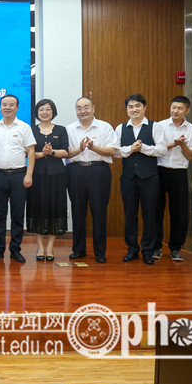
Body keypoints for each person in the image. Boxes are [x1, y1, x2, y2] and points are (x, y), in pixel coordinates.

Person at [114, 94, 166, 265]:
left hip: (149, 178)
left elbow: (162, 150)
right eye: (130, 106)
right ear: (126, 109)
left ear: (144, 108)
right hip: (128, 177)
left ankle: (148, 251)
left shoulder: (155, 126)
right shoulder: (120, 128)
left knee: (150, 215)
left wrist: (143, 148)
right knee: (130, 215)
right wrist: (131, 148)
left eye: (137, 106)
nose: (134, 109)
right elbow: (116, 152)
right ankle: (132, 250)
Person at [66, 97, 119, 263]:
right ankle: (78, 250)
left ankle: (100, 252)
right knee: (77, 212)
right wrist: (80, 149)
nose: (83, 111)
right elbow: (66, 153)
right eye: (79, 108)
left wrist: (93, 147)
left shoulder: (105, 127)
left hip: (99, 171)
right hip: (75, 171)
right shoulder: (69, 129)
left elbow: (112, 150)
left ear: (93, 108)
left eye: (86, 107)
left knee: (99, 212)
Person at [0, 94, 36, 263]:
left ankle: (15, 249)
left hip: (19, 176)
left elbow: (31, 152)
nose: (7, 107)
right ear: (0, 107)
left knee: (17, 215)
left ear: (17, 107)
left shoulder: (24, 127)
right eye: (4, 104)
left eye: (11, 104)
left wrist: (29, 174)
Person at [25, 99, 69, 262]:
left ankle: (50, 247)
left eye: (48, 109)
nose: (45, 112)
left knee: (54, 209)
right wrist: (42, 154)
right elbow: (26, 152)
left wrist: (52, 152)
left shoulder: (61, 130)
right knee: (37, 209)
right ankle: (40, 247)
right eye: (41, 109)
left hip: (57, 175)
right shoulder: (31, 130)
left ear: (53, 111)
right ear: (37, 112)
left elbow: (66, 152)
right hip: (36, 175)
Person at [155, 96, 192, 262]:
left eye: (180, 108)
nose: (175, 111)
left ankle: (175, 248)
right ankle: (156, 246)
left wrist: (182, 144)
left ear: (187, 110)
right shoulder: (160, 126)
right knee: (156, 210)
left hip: (179, 172)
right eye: (173, 107)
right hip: (159, 170)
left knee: (179, 212)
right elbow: (155, 149)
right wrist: (173, 144)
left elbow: (191, 156)